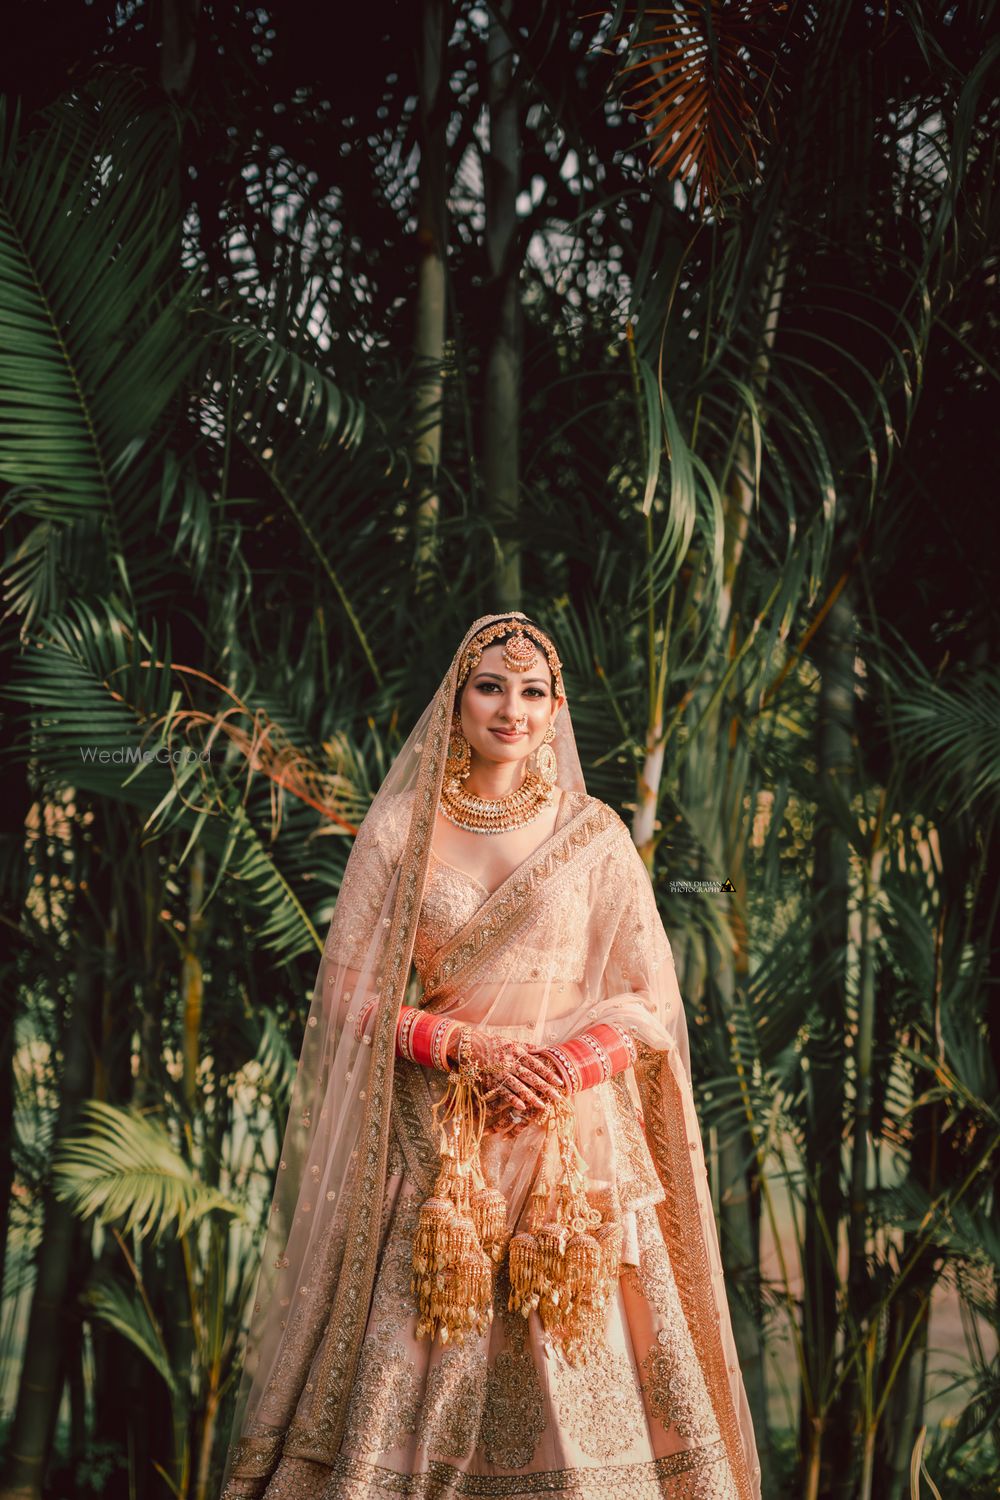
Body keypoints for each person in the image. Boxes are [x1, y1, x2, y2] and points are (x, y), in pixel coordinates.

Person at [220, 612, 762, 1500]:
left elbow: (651, 999)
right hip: (439, 1152)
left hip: (569, 1154)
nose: (512, 709)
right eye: (491, 687)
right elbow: (348, 995)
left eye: (533, 692)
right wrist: (462, 1044)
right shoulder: (399, 831)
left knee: (580, 1382)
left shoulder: (595, 838)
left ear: (556, 711)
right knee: (412, 1361)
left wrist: (564, 1066)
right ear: (457, 700)